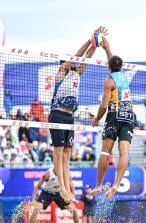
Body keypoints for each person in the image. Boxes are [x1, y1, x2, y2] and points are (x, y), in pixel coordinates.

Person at [49, 26, 108, 203]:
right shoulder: (61, 72)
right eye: (70, 60)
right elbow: (77, 56)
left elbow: (87, 58)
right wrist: (88, 39)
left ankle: (67, 190)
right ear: (64, 63)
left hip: (69, 117)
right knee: (59, 154)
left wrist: (96, 42)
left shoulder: (77, 73)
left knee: (67, 155)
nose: (73, 62)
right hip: (57, 115)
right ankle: (62, 189)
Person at [90, 36, 136, 199]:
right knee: (124, 152)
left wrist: (96, 119)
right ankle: (116, 184)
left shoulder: (109, 81)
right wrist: (107, 48)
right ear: (120, 66)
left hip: (115, 115)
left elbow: (104, 105)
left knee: (105, 152)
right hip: (129, 115)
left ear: (109, 67)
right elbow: (114, 64)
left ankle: (99, 185)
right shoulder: (123, 76)